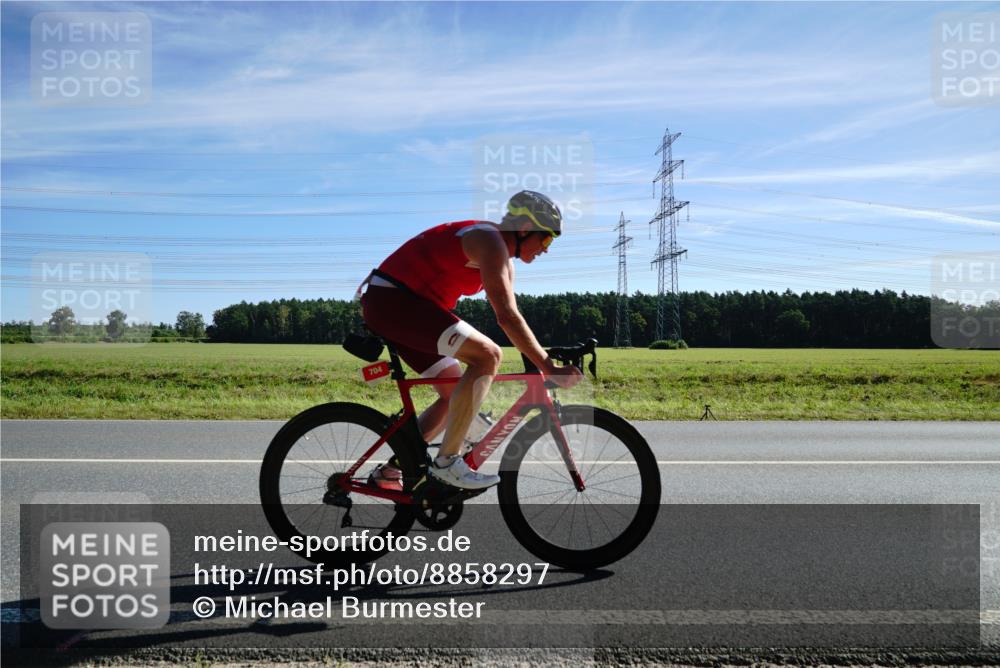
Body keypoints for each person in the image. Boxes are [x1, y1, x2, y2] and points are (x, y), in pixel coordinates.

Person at [358, 190, 583, 490]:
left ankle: (390, 472)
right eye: (546, 240)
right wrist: (548, 366)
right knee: (488, 356)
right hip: (394, 301)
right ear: (525, 228)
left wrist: (540, 359)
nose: (546, 250)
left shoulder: (504, 259)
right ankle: (447, 463)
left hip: (408, 306)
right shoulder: (489, 241)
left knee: (454, 394)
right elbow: (506, 317)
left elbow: (513, 316)